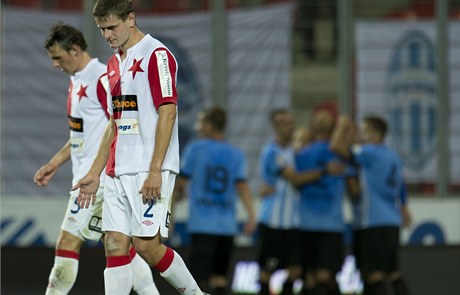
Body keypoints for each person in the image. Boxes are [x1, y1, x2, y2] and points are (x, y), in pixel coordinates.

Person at [72, 1, 205, 294]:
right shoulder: (113, 63)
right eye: (101, 29)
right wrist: (95, 172)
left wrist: (156, 170)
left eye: (111, 27)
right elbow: (114, 122)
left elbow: (168, 111)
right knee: (114, 242)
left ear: (130, 19)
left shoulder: (157, 55)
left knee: (147, 246)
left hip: (148, 167)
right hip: (117, 169)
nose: (106, 35)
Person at [34, 23, 158, 294]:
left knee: (67, 243)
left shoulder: (101, 78)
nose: (55, 64)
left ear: (75, 50)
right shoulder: (76, 79)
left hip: (97, 182)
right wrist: (55, 162)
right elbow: (83, 135)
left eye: (58, 57)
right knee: (119, 247)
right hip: (90, 179)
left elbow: (120, 126)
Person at [174, 107, 257, 295]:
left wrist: (177, 196)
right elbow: (242, 186)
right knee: (220, 278)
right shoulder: (236, 154)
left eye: (201, 122)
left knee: (197, 281)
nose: (197, 127)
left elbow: (181, 183)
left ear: (210, 125)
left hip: (202, 225)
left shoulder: (195, 149)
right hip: (227, 226)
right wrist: (252, 216)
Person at [330, 115, 411, 295]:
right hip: (390, 221)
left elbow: (336, 147)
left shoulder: (369, 153)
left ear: (377, 134)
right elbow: (401, 185)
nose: (362, 135)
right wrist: (404, 207)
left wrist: (342, 126)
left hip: (373, 221)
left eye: (365, 131)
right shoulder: (392, 156)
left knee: (372, 275)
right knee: (393, 273)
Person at [257, 108, 335, 295]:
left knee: (295, 271)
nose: (290, 127)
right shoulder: (272, 151)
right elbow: (295, 178)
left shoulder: (294, 152)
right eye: (285, 124)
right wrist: (325, 170)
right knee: (267, 271)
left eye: (291, 123)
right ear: (276, 127)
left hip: (293, 224)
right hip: (273, 223)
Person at [295, 110, 349, 295]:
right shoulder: (340, 153)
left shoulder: (301, 154)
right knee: (326, 277)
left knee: (310, 277)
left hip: (306, 223)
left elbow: (295, 183)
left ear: (313, 127)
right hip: (331, 224)